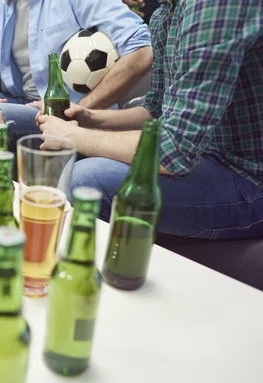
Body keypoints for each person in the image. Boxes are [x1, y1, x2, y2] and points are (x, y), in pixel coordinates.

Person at [38, 0, 263, 239]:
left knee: (85, 179)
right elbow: (155, 110)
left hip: (247, 177)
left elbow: (173, 150)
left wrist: (74, 136)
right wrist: (91, 117)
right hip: (202, 155)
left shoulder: (211, 6)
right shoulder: (164, 14)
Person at [0, 0, 153, 165]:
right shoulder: (4, 5)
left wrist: (80, 108)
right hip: (23, 101)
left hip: (64, 109)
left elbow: (142, 50)